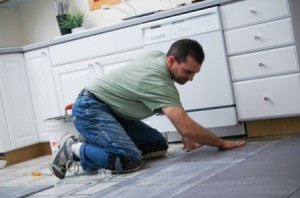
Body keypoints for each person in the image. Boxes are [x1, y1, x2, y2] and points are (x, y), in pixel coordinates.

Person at [50, 39, 246, 179]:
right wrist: (220, 143)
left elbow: (171, 108)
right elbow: (185, 126)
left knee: (157, 145)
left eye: (194, 73)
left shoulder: (158, 58)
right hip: (90, 109)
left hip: (111, 111)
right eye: (187, 71)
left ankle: (99, 142)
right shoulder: (158, 80)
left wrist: (183, 128)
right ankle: (73, 149)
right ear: (171, 61)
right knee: (129, 159)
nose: (191, 78)